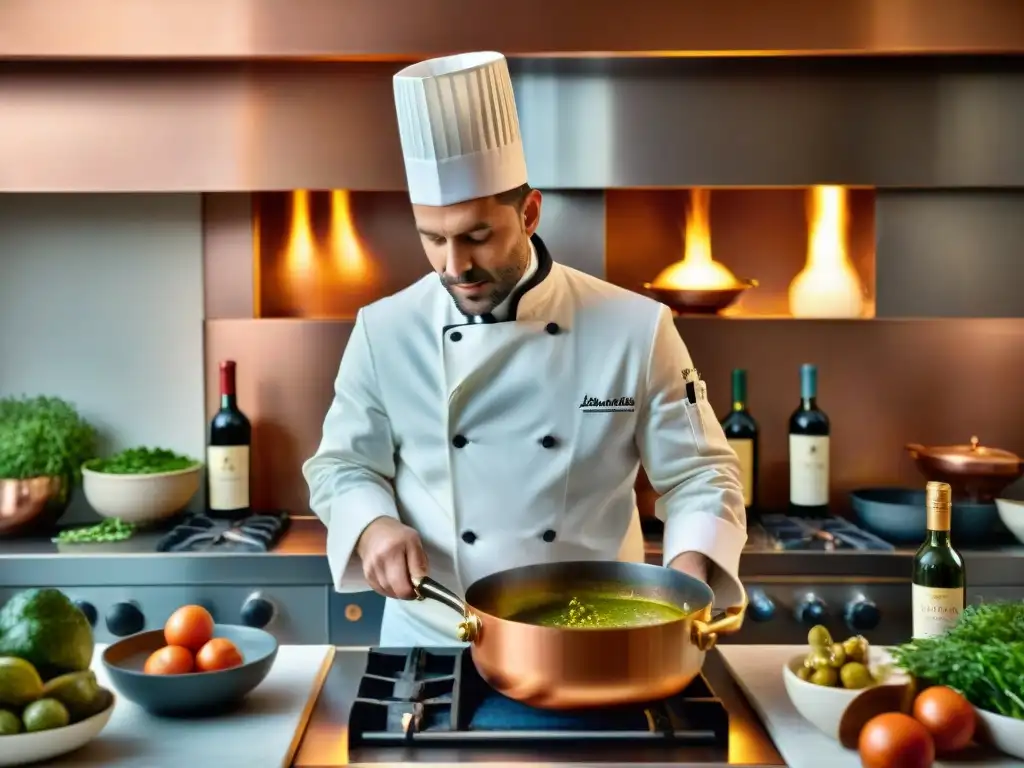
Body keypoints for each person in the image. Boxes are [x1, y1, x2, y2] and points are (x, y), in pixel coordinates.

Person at [303, 51, 747, 648]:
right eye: (433, 239)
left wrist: (691, 567)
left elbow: (700, 473)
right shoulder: (383, 330)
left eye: (477, 237)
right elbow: (340, 466)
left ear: (530, 213)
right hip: (434, 635)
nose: (454, 266)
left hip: (591, 639)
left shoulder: (635, 328)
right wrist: (372, 523)